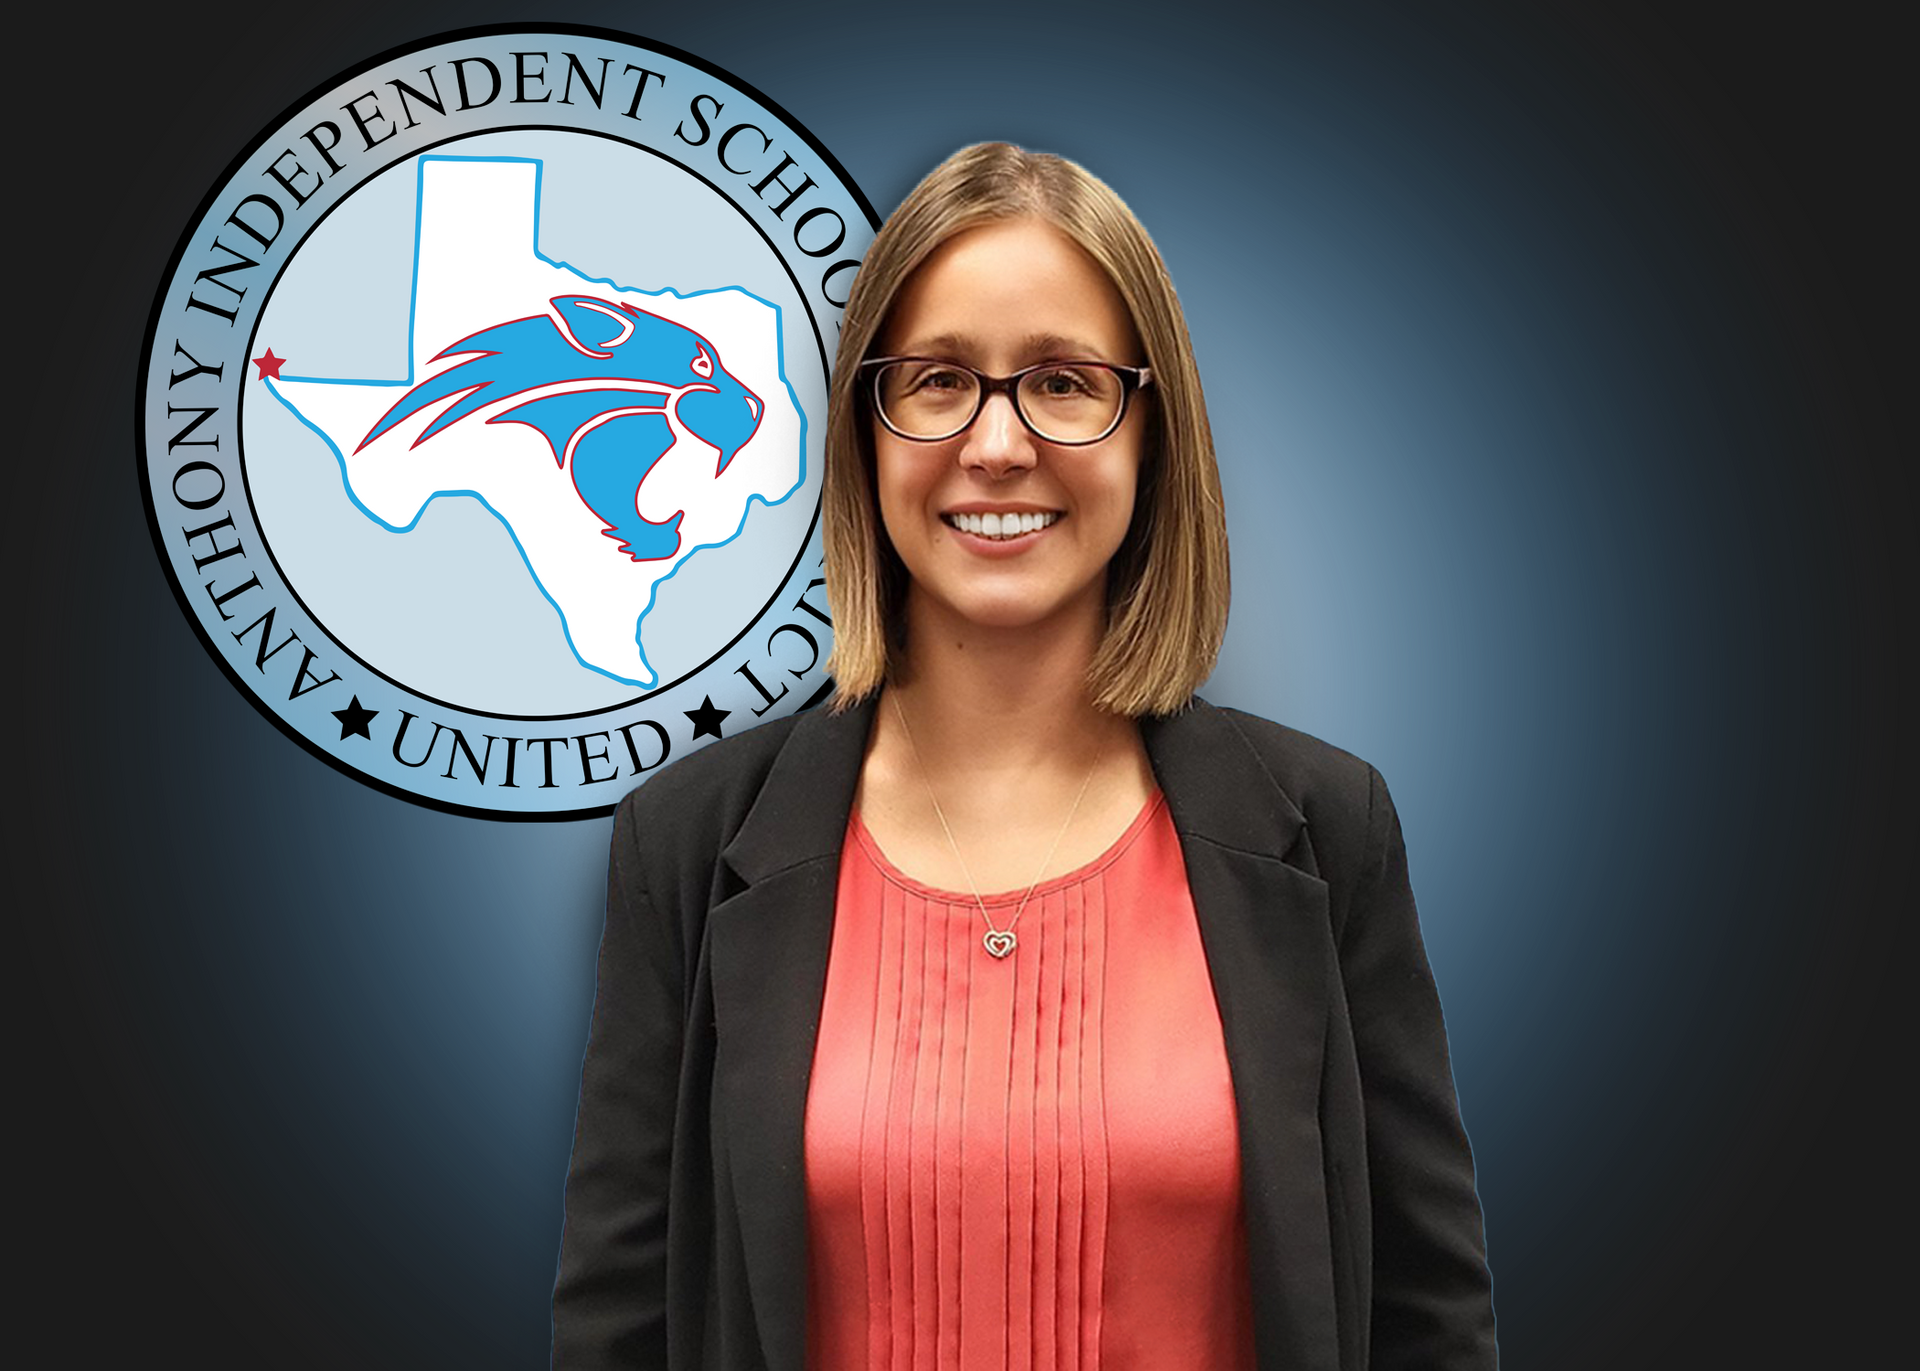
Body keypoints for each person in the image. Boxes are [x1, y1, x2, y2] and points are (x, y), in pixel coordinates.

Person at [553, 142, 1497, 1371]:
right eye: (939, 381)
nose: (997, 447)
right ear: (864, 432)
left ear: (1153, 432)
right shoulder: (686, 846)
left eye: (1062, 382)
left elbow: (1432, 1322)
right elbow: (618, 1325)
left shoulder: (1326, 828)